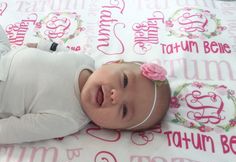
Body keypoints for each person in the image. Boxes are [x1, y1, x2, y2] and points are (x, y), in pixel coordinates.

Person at [0, 25, 171, 144]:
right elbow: (60, 51)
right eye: (124, 81)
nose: (116, 96)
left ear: (113, 128)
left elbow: (17, 130)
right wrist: (42, 45)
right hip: (6, 53)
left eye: (124, 110)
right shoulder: (85, 60)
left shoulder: (68, 119)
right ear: (113, 63)